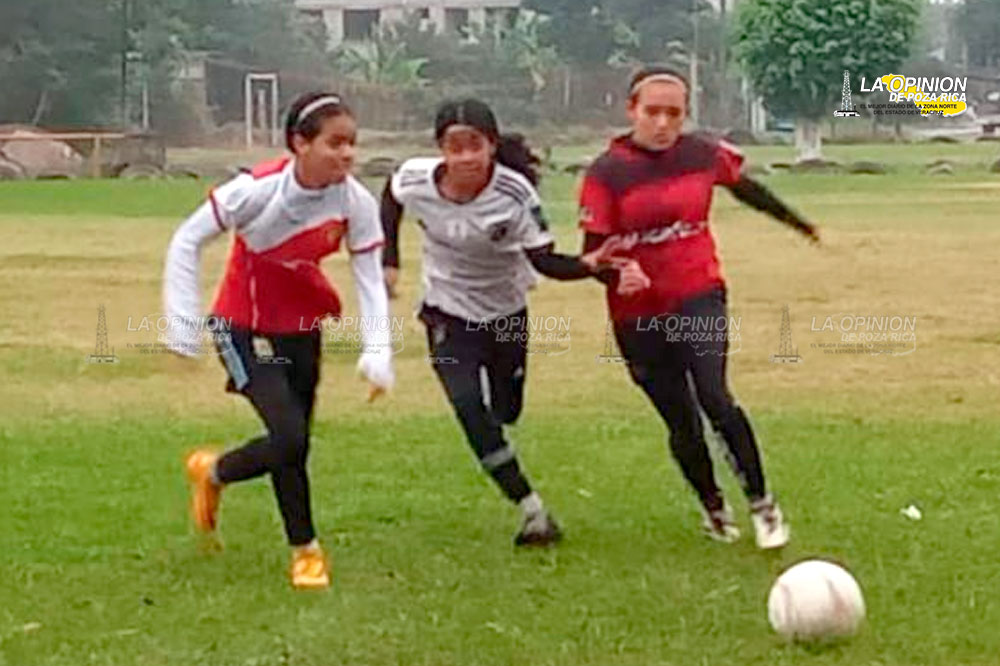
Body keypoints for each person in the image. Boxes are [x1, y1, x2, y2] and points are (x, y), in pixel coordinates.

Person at [380, 98, 647, 547]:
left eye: (476, 145)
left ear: (492, 145)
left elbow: (544, 261)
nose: (466, 157)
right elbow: (390, 198)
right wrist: (390, 259)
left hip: (505, 313)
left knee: (506, 411)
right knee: (469, 407)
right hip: (446, 311)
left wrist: (591, 265)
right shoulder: (415, 178)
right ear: (440, 149)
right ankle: (532, 511)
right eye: (455, 147)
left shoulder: (515, 193)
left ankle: (497, 436)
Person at [578, 66, 820, 549]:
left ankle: (762, 504)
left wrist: (798, 223)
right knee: (680, 418)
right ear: (631, 111)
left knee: (715, 396)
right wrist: (618, 273)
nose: (663, 123)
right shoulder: (606, 173)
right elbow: (593, 253)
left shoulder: (702, 154)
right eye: (653, 112)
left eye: (674, 113)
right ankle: (713, 506)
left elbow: (747, 189)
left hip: (698, 293)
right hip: (637, 314)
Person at [162, 91, 394, 588]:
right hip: (241, 326)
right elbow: (186, 240)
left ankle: (215, 472)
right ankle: (306, 550)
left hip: (302, 330)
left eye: (352, 143)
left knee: (295, 443)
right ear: (299, 143)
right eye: (335, 143)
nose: (348, 155)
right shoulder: (255, 190)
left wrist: (378, 350)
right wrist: (182, 324)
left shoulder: (355, 201)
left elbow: (370, 277)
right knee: (289, 436)